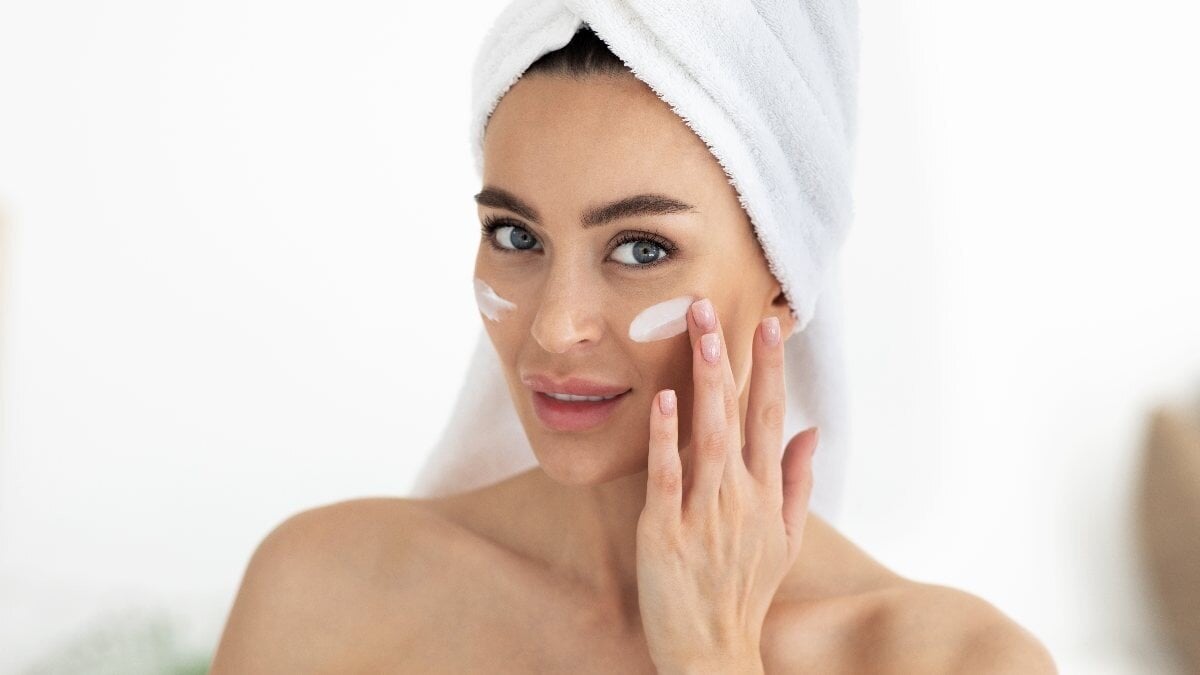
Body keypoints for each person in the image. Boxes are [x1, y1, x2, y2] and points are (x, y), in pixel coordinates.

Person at [210, 26, 1057, 674]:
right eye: (516, 235)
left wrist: (713, 655)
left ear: (784, 283)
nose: (555, 327)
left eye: (641, 248)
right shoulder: (321, 591)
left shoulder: (955, 661)